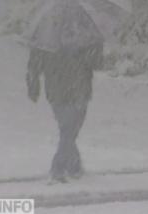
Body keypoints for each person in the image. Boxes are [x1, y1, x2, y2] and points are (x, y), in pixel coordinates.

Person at [26, 43, 103, 183]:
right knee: (69, 131)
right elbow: (95, 63)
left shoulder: (48, 37)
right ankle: (58, 168)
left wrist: (33, 84)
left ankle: (74, 166)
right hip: (78, 91)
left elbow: (34, 65)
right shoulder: (82, 36)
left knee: (67, 130)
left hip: (57, 92)